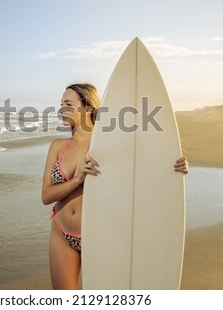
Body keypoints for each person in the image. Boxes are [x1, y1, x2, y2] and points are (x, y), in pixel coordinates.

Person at [41, 83, 189, 290]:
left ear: (88, 108)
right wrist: (77, 179)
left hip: (101, 234)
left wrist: (174, 164)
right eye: (60, 104)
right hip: (61, 231)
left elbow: (144, 170)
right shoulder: (58, 146)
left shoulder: (110, 145)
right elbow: (46, 196)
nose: (61, 110)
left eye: (68, 104)